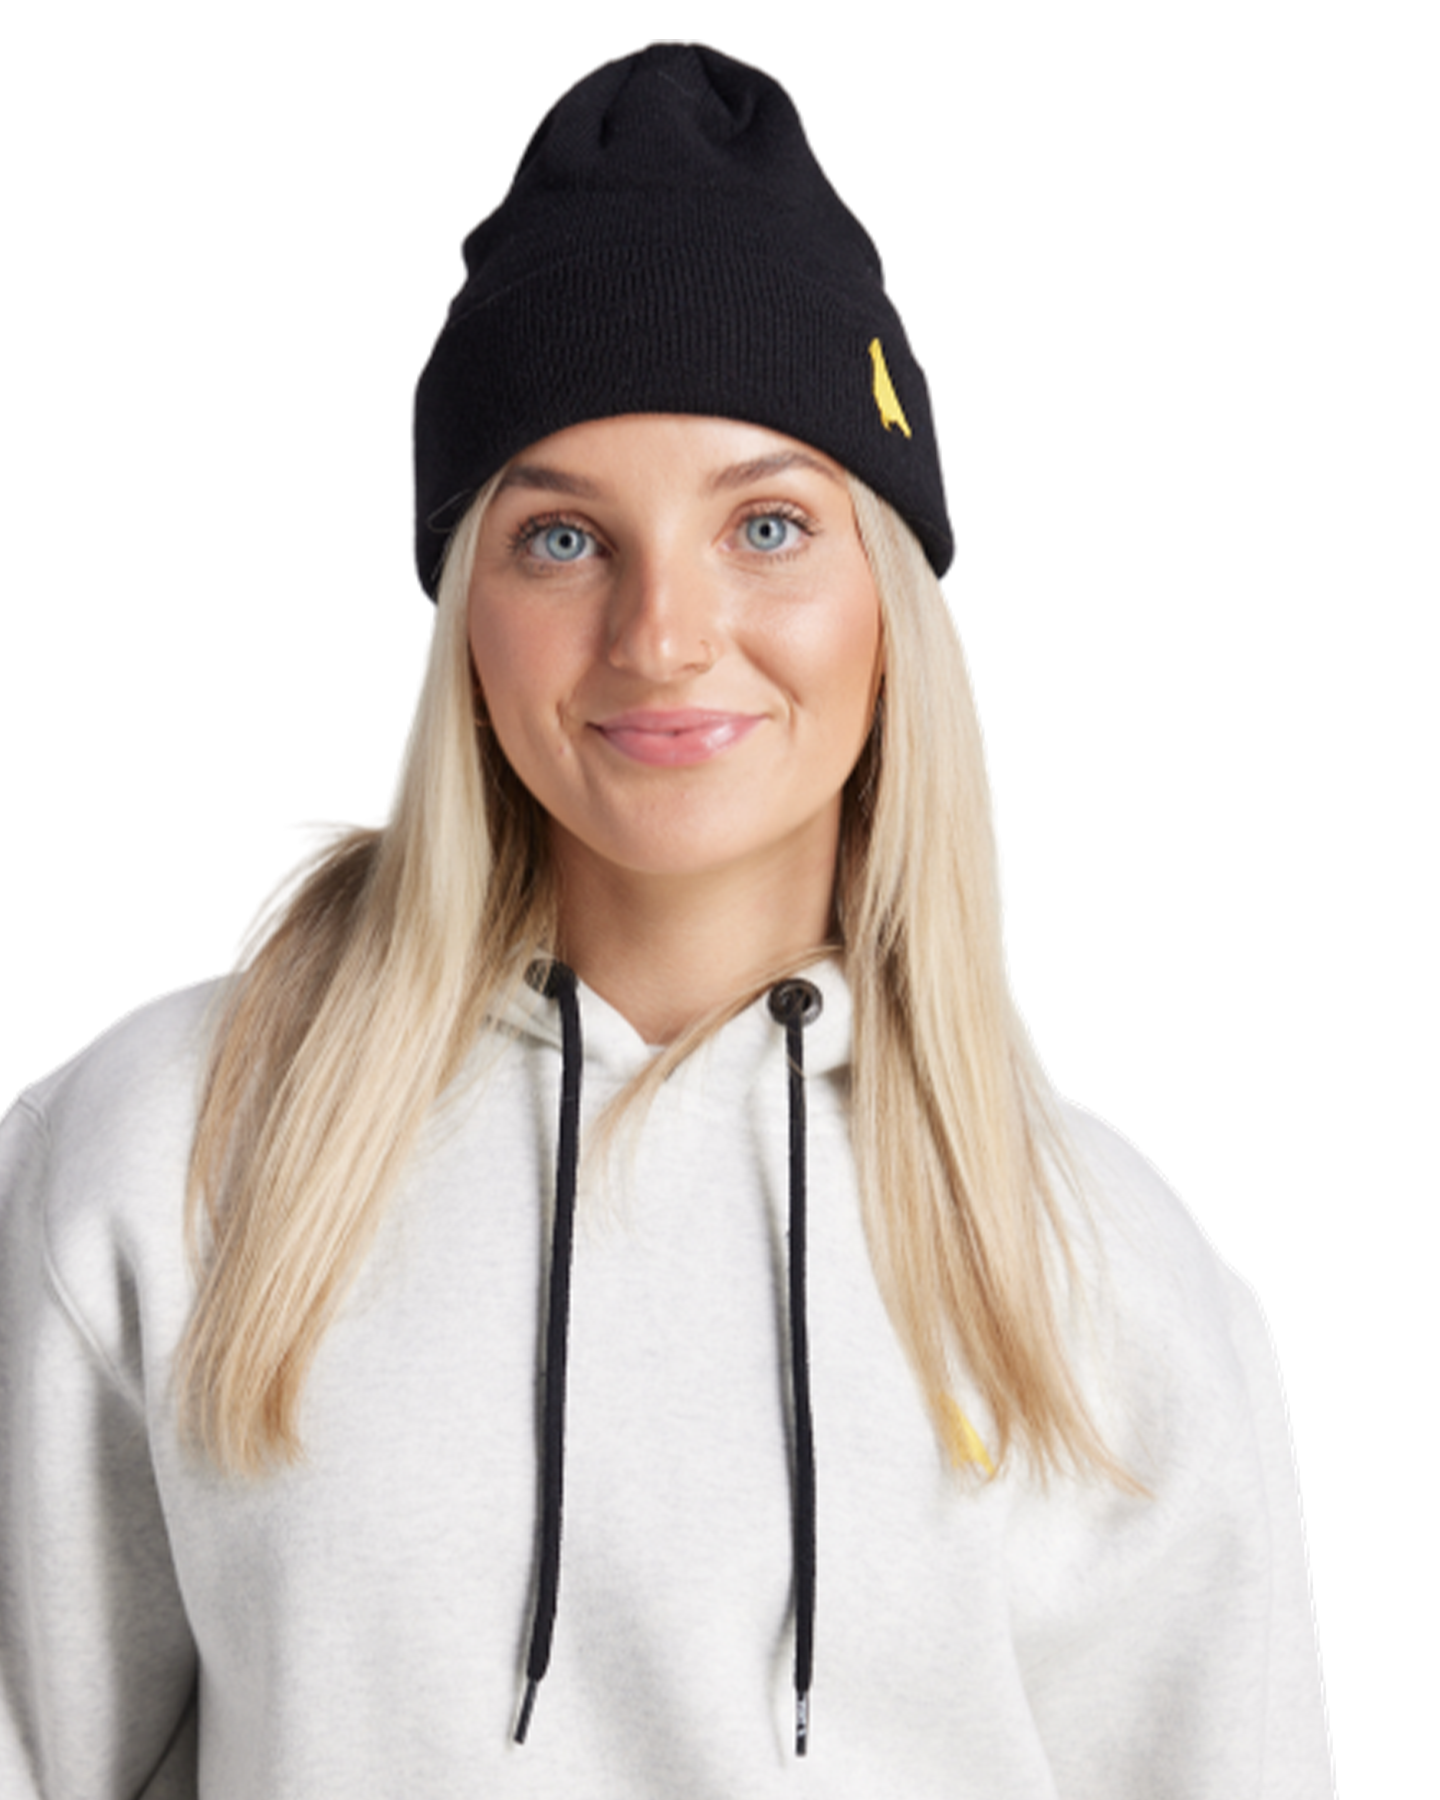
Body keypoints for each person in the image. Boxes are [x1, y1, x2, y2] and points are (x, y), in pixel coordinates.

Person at [0, 43, 1333, 1800]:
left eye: (767, 525)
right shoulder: (163, 1152)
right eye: (563, 539)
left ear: (888, 604)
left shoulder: (1105, 1273)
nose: (664, 636)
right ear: (466, 615)